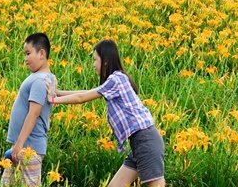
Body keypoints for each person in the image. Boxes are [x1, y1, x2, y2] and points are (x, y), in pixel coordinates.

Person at [48, 39, 165, 187]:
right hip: (139, 142)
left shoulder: (116, 79)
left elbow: (81, 98)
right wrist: (58, 93)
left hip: (146, 140)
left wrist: (53, 100)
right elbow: (86, 93)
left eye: (95, 59)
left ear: (105, 61)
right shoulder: (117, 79)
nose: (93, 64)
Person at [2, 33, 56, 187]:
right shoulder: (47, 78)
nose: (25, 59)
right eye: (24, 54)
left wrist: (19, 144)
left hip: (28, 148)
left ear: (42, 53)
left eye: (28, 53)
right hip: (21, 147)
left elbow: (34, 113)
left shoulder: (39, 80)